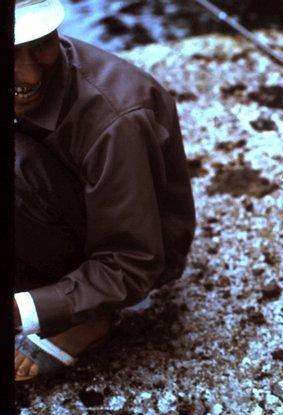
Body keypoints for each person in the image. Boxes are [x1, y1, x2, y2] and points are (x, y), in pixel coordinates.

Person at [12, 0, 196, 382]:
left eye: (41, 44)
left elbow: (132, 262)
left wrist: (19, 312)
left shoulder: (117, 120)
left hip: (129, 250)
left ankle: (90, 315)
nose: (29, 74)